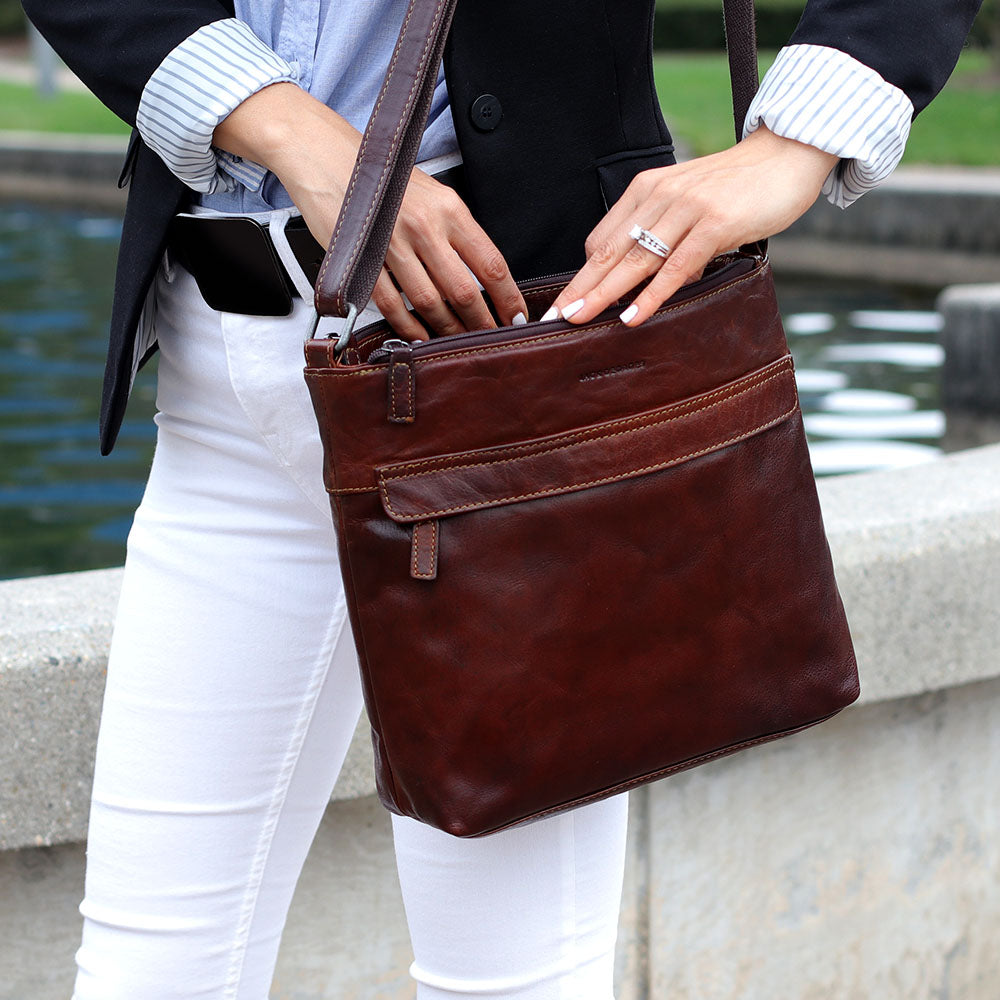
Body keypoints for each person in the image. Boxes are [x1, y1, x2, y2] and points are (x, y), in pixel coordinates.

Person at [22, 2, 982, 998]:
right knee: (146, 968)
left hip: (514, 363)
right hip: (220, 371)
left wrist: (796, 142)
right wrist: (283, 123)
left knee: (513, 980)